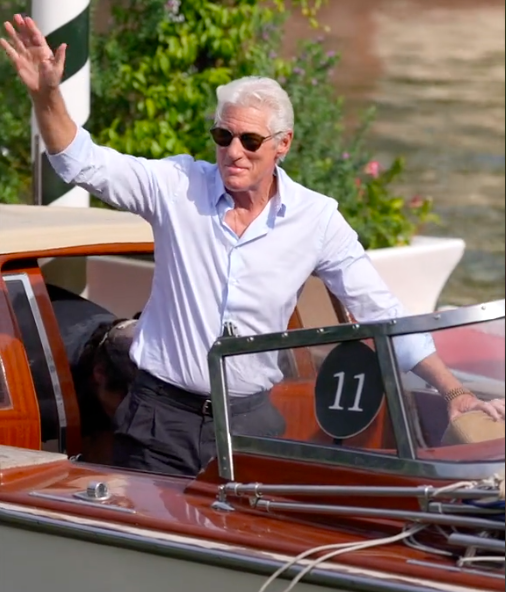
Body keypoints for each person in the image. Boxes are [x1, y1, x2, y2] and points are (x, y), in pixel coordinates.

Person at [2, 15, 504, 477]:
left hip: (251, 426)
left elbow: (380, 310)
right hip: (159, 417)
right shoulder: (177, 185)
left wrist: (454, 391)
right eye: (223, 136)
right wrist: (47, 97)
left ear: (282, 145)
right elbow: (81, 162)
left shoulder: (317, 219)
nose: (233, 151)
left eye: (250, 140)